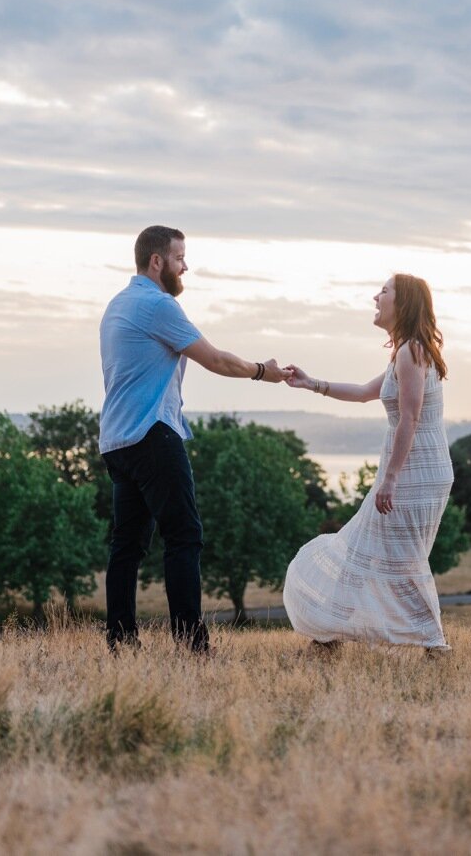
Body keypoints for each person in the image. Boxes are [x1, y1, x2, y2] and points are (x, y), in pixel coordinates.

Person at [99, 225, 284, 652]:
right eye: (181, 258)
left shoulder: (118, 304)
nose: (186, 266)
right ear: (157, 261)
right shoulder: (157, 305)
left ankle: (121, 641)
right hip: (152, 434)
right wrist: (263, 371)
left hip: (117, 440)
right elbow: (216, 359)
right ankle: (191, 643)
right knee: (184, 536)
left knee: (126, 546)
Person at [280, 273, 454, 654]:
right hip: (413, 471)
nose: (376, 297)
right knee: (366, 551)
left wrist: (390, 480)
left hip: (413, 474)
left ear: (402, 302)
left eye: (384, 291)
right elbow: (362, 393)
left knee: (400, 559)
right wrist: (312, 383)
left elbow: (410, 417)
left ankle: (433, 644)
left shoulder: (412, 351)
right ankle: (329, 638)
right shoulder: (406, 352)